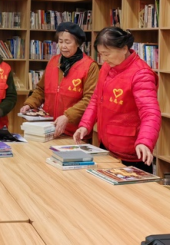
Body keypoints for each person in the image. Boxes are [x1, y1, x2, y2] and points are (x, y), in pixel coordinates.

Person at [74, 27, 161, 173]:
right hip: (107, 147)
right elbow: (96, 99)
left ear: (124, 49)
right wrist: (85, 125)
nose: (104, 59)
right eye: (101, 54)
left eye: (107, 54)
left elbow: (150, 112)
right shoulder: (107, 67)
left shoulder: (141, 74)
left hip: (132, 152)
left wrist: (145, 141)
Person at [21, 22, 99, 138]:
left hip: (75, 132)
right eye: (60, 41)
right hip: (49, 128)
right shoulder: (53, 61)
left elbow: (90, 99)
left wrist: (67, 116)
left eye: (68, 42)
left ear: (78, 43)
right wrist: (30, 104)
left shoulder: (90, 66)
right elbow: (41, 89)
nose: (63, 46)